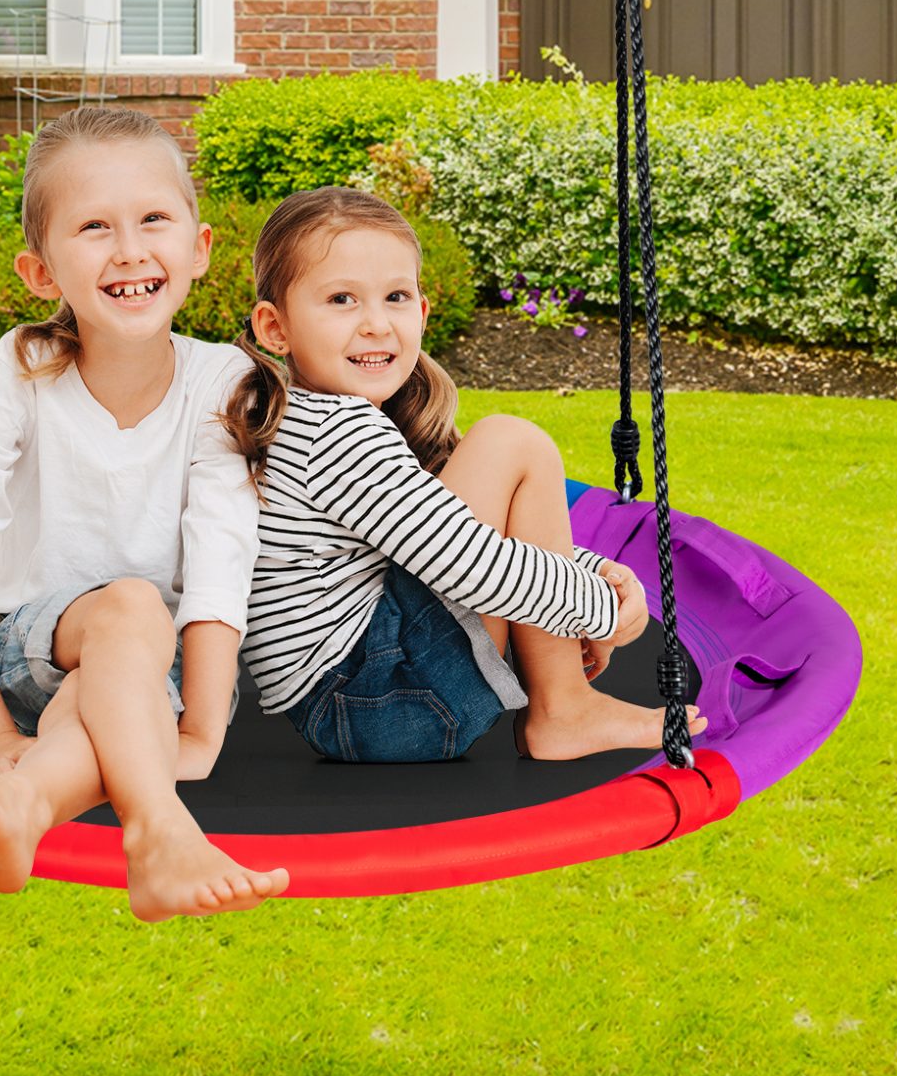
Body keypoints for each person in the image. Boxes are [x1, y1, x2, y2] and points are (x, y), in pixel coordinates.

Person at [0, 107, 289, 920]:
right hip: (27, 647)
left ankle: (23, 809)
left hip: (160, 683)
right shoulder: (19, 372)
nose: (130, 250)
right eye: (93, 227)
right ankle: (157, 832)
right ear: (42, 274)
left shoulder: (224, 381)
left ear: (199, 249)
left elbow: (223, 563)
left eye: (154, 219)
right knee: (130, 604)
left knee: (117, 671)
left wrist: (205, 730)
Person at [221, 186, 708, 765]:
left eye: (396, 296)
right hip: (387, 698)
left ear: (422, 313)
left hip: (360, 703)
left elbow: (447, 536)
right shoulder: (337, 432)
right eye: (342, 299)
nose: (376, 323)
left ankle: (564, 705)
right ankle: (564, 707)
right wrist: (600, 609)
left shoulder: (301, 418)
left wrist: (589, 570)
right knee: (511, 442)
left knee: (502, 458)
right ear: (275, 328)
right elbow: (470, 562)